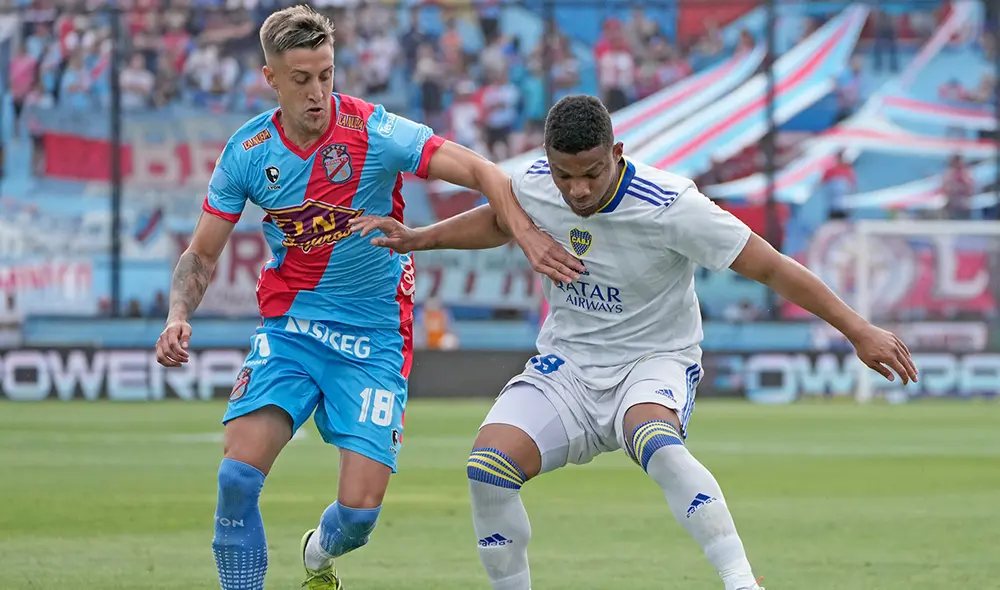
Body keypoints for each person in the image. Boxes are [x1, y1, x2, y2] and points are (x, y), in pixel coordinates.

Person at [350, 95, 919, 590]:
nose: (577, 189)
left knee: (653, 438)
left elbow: (770, 268)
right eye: (564, 174)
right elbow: (499, 221)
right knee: (487, 467)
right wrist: (420, 238)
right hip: (567, 366)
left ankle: (742, 582)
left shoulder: (671, 205)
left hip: (655, 359)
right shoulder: (536, 185)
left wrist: (858, 330)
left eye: (592, 173)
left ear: (617, 152)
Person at [153, 6, 584, 590]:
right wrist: (179, 314)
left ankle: (318, 553)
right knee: (237, 477)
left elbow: (485, 171)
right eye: (301, 79)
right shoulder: (248, 152)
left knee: (357, 516)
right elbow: (202, 254)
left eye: (326, 74)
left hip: (375, 337)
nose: (317, 91)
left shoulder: (377, 133)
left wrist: (528, 238)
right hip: (292, 328)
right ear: (270, 78)